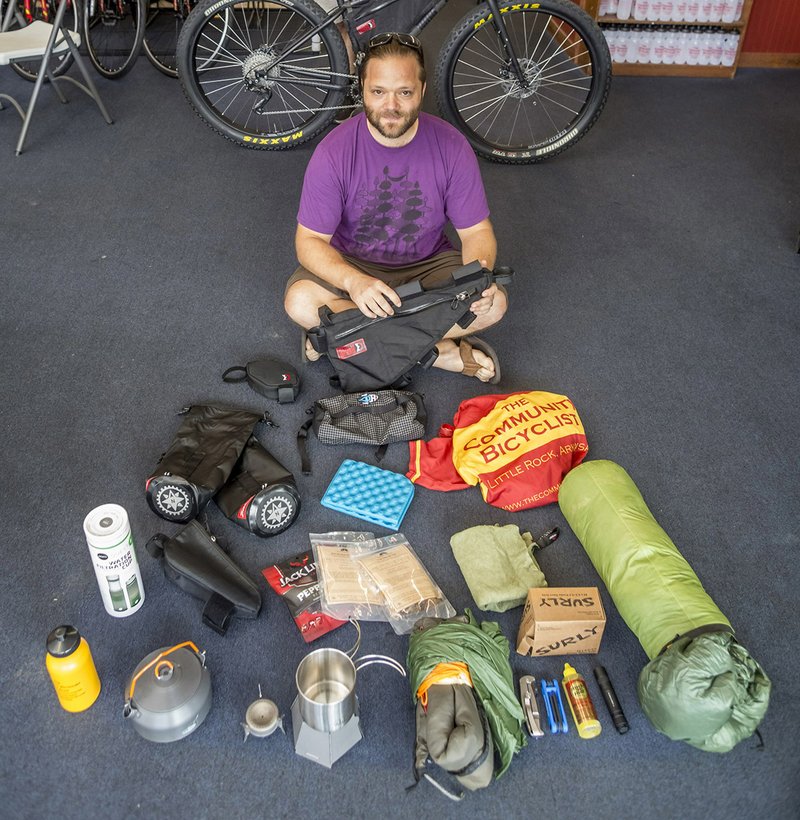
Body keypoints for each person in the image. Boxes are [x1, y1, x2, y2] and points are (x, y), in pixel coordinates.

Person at [284, 31, 507, 383]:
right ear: (363, 90)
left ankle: (340, 337)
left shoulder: (452, 146)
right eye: (378, 92)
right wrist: (354, 282)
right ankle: (434, 353)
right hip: (354, 265)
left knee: (494, 306)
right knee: (299, 301)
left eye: (403, 92)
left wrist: (479, 279)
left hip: (427, 265)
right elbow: (308, 240)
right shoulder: (333, 152)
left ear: (421, 91)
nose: (390, 106)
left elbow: (477, 232)